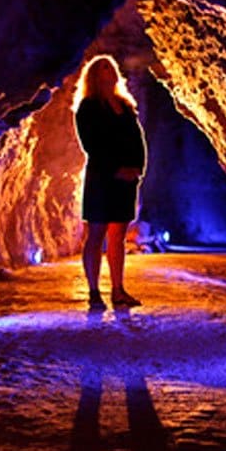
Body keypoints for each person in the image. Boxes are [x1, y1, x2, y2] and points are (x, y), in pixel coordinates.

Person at [73, 55, 147, 311]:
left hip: (126, 181)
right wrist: (117, 169)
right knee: (96, 234)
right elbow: (91, 144)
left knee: (118, 236)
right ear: (94, 75)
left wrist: (137, 169)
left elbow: (138, 141)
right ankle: (94, 291)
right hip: (102, 178)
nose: (110, 69)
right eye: (103, 66)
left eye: (111, 66)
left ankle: (118, 290)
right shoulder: (88, 107)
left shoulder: (126, 106)